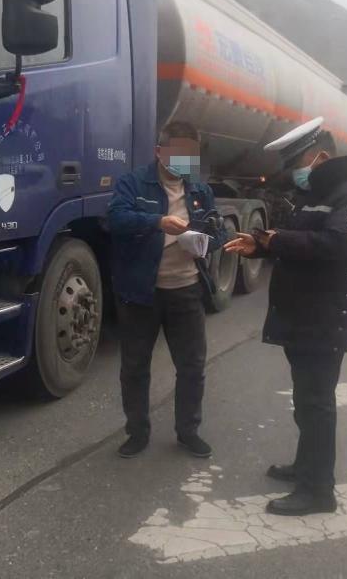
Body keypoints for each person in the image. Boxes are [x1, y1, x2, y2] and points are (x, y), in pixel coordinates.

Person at [224, 117, 347, 516]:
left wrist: (277, 240)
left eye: (297, 162)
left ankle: (318, 491)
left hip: (325, 318)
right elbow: (300, 239)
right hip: (305, 314)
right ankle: (305, 466)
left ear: (321, 157)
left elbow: (338, 245)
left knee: (316, 403)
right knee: (305, 402)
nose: (294, 172)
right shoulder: (320, 192)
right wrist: (261, 245)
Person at [107, 121, 225, 459]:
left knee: (192, 366)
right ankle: (137, 433)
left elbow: (218, 232)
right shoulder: (133, 183)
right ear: (160, 151)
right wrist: (157, 221)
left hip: (186, 290)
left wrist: (205, 241)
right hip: (141, 293)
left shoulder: (200, 190)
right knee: (135, 367)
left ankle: (188, 432)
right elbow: (115, 219)